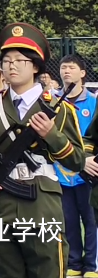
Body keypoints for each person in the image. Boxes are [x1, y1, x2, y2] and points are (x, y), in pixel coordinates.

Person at [0, 23, 85, 278]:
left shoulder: (59, 108)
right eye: (6, 60)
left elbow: (77, 161)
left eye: (19, 60)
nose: (11, 65)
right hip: (0, 201)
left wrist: (51, 135)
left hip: (41, 203)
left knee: (48, 271)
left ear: (35, 66)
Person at [57, 54, 97, 278]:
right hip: (62, 172)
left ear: (82, 73)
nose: (66, 72)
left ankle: (91, 265)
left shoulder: (94, 102)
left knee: (90, 220)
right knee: (68, 220)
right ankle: (74, 262)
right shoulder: (54, 102)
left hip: (89, 172)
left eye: (71, 68)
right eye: (63, 68)